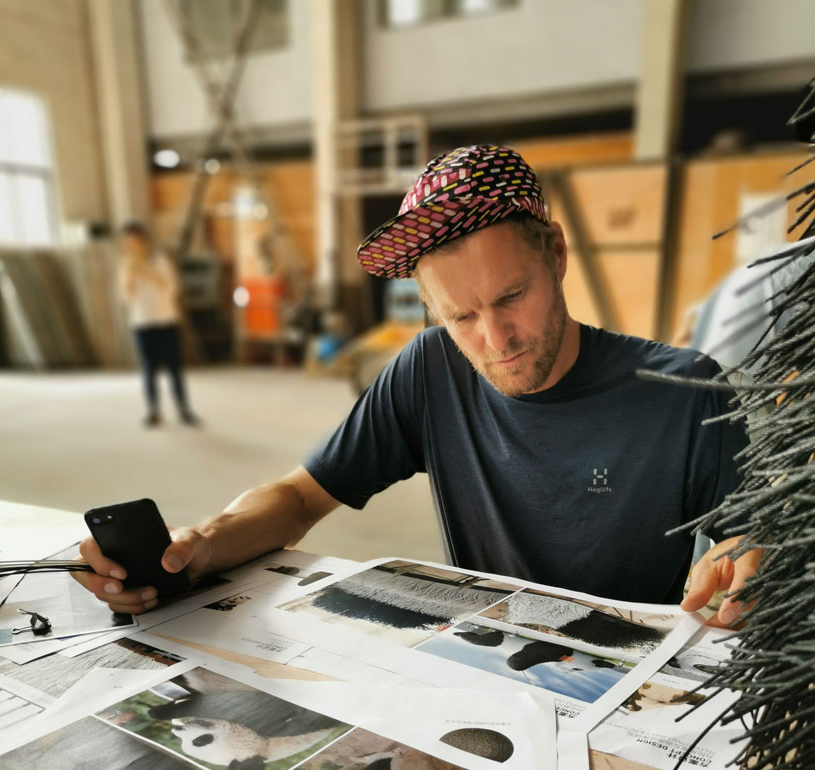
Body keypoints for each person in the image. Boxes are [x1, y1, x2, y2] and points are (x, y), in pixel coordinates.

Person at [78, 146, 758, 625]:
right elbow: (295, 498)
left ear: (556, 254)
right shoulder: (430, 369)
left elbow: (756, 545)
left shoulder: (687, 392)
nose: (495, 339)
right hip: (484, 670)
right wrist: (199, 545)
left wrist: (743, 561)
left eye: (512, 295)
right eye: (460, 315)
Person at [118, 221, 200, 427]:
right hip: (142, 321)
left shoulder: (160, 261)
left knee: (174, 368)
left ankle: (183, 408)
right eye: (129, 243)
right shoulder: (126, 265)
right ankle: (153, 410)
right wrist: (130, 277)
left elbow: (172, 289)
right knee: (148, 369)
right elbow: (126, 298)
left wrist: (148, 272)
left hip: (166, 319)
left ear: (144, 241)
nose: (133, 246)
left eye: (136, 241)